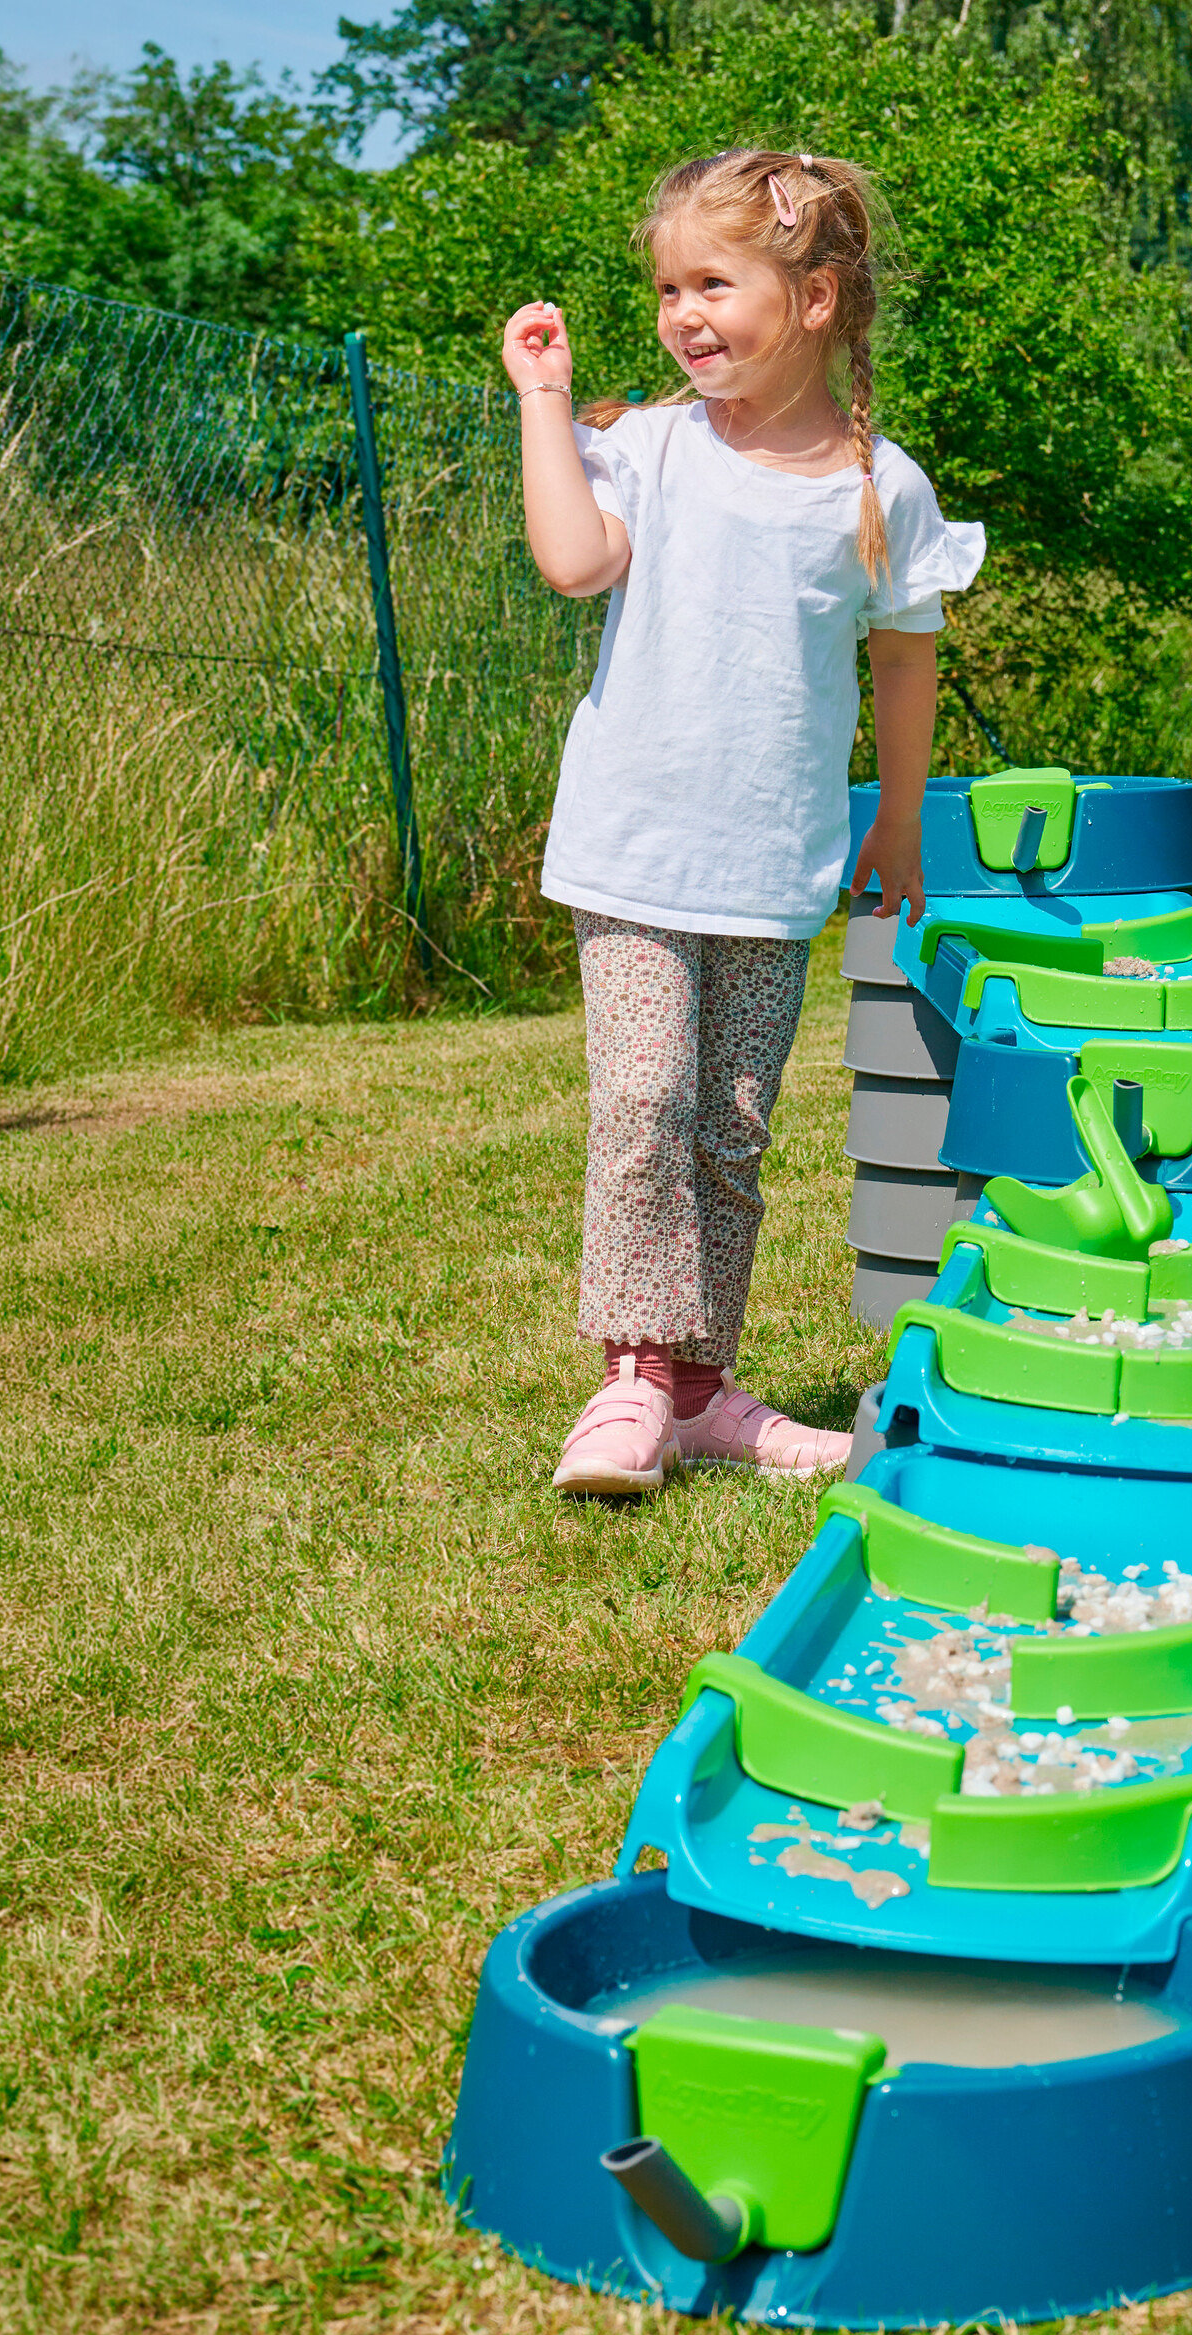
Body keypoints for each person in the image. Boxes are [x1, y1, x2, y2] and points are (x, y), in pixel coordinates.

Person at [500, 148, 983, 1497]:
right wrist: (546, 400)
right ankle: (633, 1378)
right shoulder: (648, 447)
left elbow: (904, 659)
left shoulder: (880, 489)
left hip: (773, 866)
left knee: (730, 1123)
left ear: (818, 297)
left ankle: (703, 1388)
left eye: (715, 281)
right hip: (635, 852)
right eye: (666, 287)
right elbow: (574, 560)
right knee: (644, 1102)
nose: (682, 312)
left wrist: (895, 821)